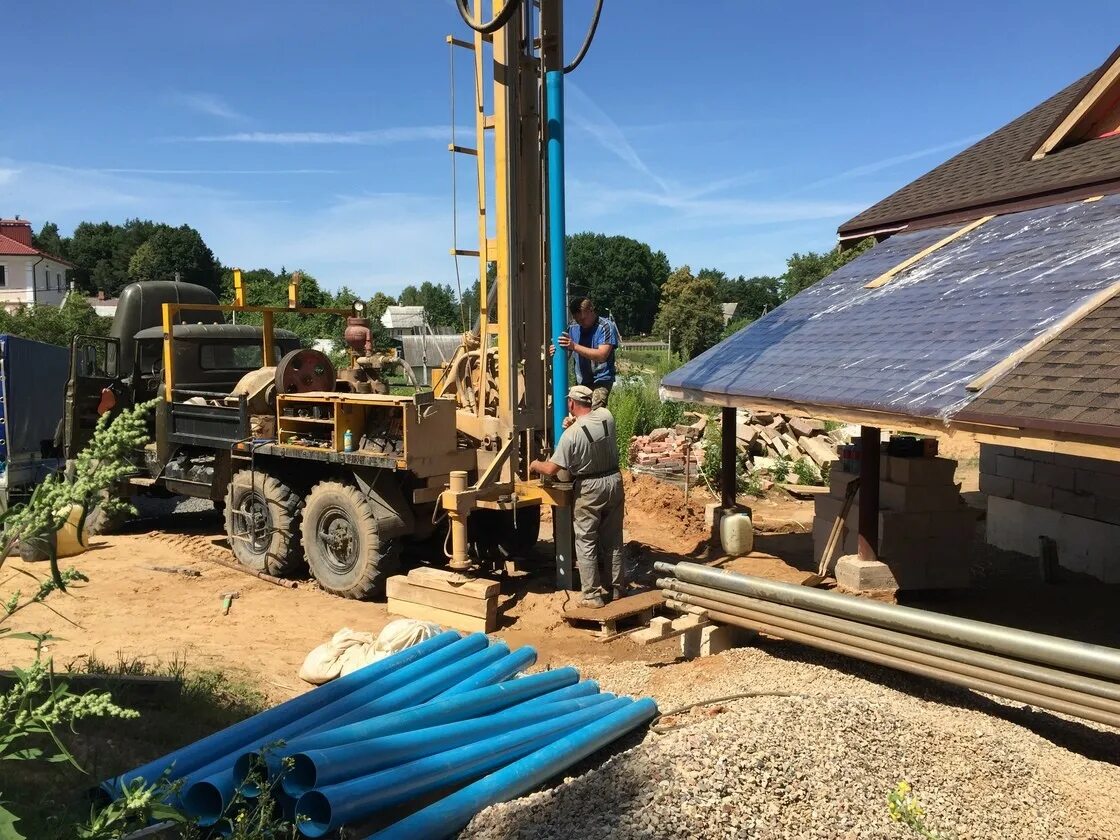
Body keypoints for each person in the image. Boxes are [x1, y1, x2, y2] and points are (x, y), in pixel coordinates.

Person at [529, 384, 625, 609]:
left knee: (586, 540)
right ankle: (617, 588)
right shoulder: (606, 416)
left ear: (571, 403)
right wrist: (575, 422)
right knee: (613, 539)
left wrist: (535, 464)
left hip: (590, 487)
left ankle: (592, 595)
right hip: (614, 480)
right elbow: (591, 427)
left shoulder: (570, 435)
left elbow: (553, 469)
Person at [555, 297, 618, 409]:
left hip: (601, 380)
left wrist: (574, 346)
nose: (580, 323)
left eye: (583, 319)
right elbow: (567, 355)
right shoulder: (573, 327)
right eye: (577, 320)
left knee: (595, 410)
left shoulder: (605, 326)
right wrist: (556, 352)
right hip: (582, 380)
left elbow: (601, 356)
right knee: (575, 410)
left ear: (591, 310)